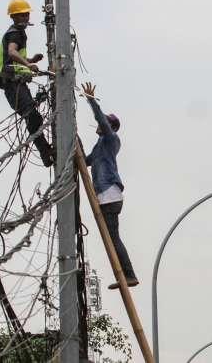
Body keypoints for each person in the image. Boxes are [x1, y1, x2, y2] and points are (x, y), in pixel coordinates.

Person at [81, 82, 138, 290]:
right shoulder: (99, 146)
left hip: (109, 194)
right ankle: (126, 274)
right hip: (105, 195)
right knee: (111, 238)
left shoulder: (111, 139)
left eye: (104, 123)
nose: (99, 124)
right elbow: (85, 161)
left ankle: (129, 274)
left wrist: (91, 100)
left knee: (113, 237)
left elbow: (101, 120)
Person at [0, 0, 55, 167]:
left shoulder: (19, 33)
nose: (25, 18)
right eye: (22, 16)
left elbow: (13, 57)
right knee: (32, 116)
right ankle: (45, 153)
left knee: (33, 116)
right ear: (14, 17)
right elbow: (11, 52)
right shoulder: (14, 33)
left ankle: (46, 152)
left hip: (16, 83)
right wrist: (28, 63)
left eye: (26, 15)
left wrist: (30, 59)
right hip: (12, 84)